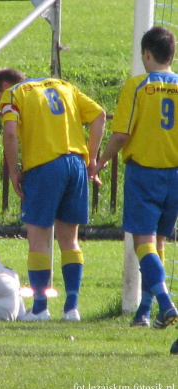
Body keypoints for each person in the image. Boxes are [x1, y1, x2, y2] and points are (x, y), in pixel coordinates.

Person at [0, 68, 105, 322]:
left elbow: (10, 133)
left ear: (5, 86)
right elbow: (99, 115)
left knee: (39, 239)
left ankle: (41, 307)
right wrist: (92, 157)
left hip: (44, 165)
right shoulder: (64, 85)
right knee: (70, 240)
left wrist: (12, 171)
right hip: (75, 163)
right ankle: (71, 309)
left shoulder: (13, 93)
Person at [90, 26, 178, 329]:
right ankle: (144, 310)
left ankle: (166, 305)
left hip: (145, 173)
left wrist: (100, 161)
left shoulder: (138, 86)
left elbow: (122, 134)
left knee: (143, 241)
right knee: (159, 241)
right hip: (176, 175)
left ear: (146, 53)